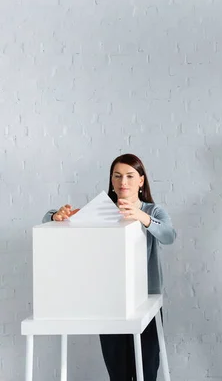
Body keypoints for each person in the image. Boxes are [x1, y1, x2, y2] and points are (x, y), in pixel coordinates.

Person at [43, 153, 177, 381]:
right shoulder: (101, 211)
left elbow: (169, 235)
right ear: (112, 181)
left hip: (147, 300)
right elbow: (48, 220)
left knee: (147, 368)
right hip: (109, 302)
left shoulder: (153, 211)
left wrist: (142, 217)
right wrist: (55, 215)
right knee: (118, 372)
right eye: (117, 176)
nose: (123, 182)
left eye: (129, 176)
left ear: (141, 180)